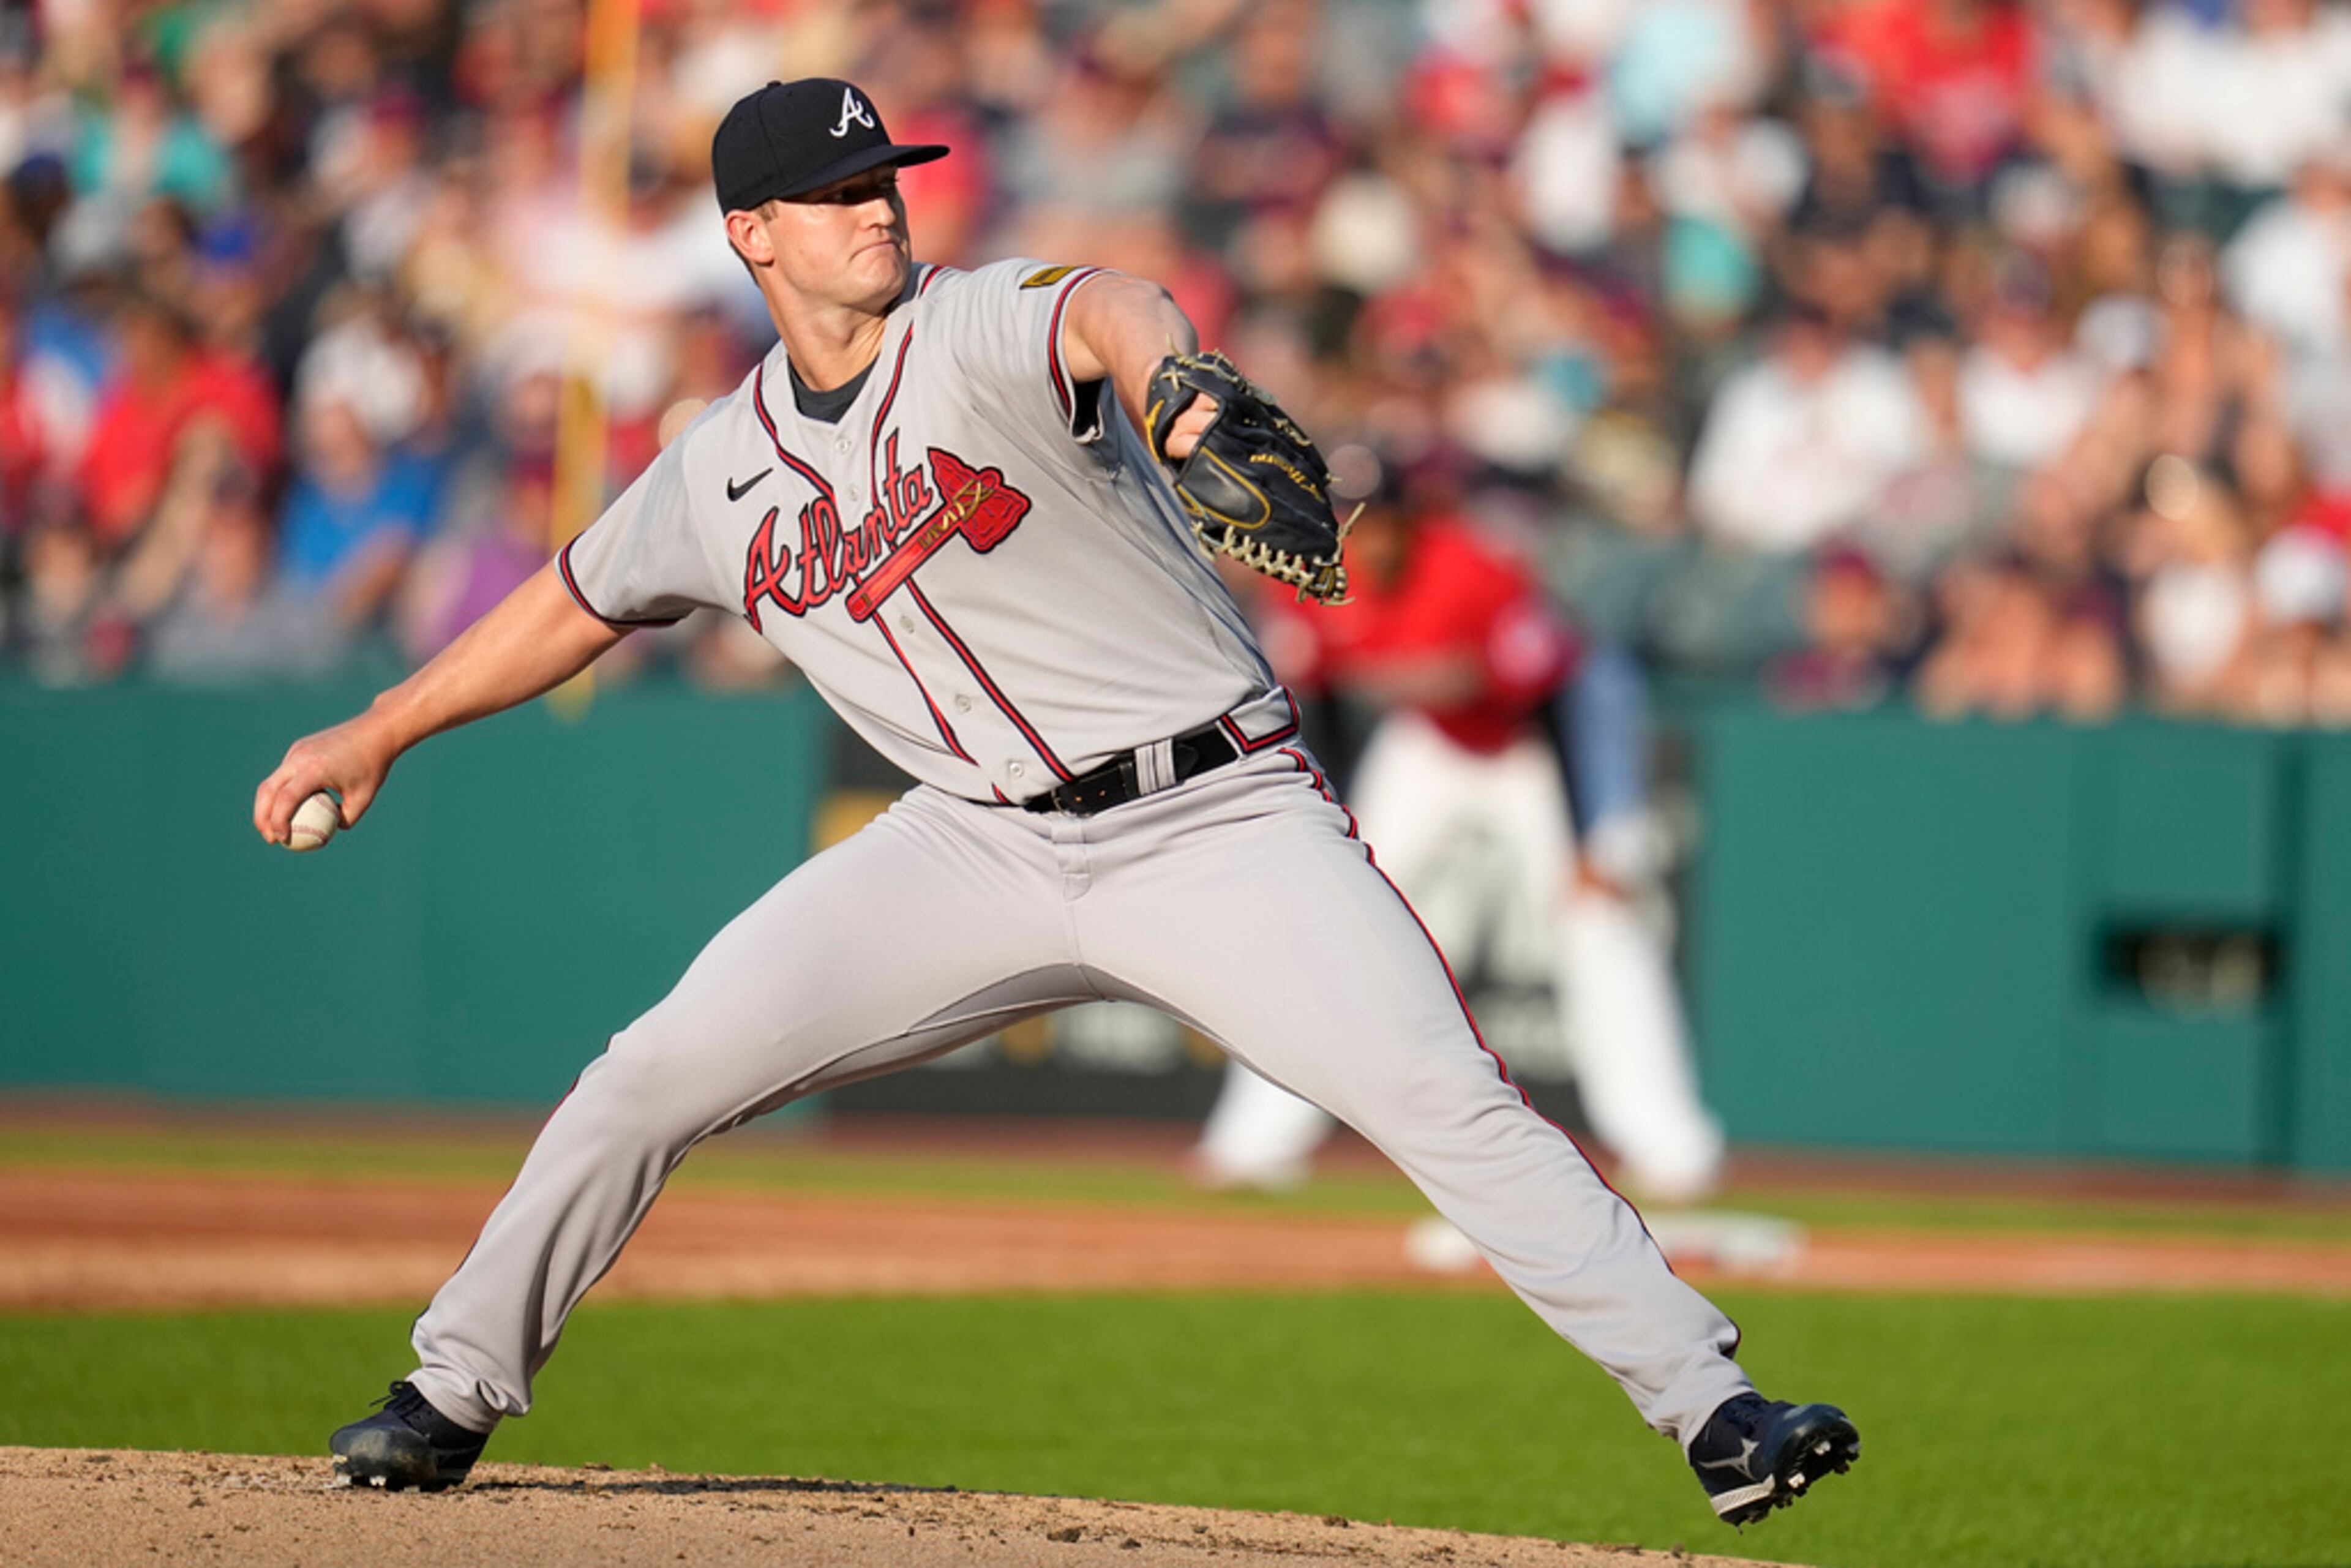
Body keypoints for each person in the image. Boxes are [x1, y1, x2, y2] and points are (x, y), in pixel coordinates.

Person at [252, 77, 1857, 1528]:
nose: (876, 203)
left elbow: (1111, 303)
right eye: (834, 189)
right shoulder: (719, 464)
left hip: (1216, 818)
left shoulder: (980, 319)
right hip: (970, 842)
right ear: (750, 234)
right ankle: (448, 1395)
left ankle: (1716, 1412)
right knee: (648, 1073)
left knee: (1452, 1105)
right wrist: (383, 727)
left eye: (884, 174)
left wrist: (1178, 389)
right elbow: (577, 597)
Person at [1190, 474, 1727, 1205]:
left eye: (1378, 517)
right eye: (1346, 514)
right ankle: (1251, 1144)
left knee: (1601, 925)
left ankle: (1672, 1149)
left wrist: (1585, 850)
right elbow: (1328, 706)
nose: (1362, 532)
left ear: (1414, 519)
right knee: (1335, 918)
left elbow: (1550, 695)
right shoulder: (1301, 574)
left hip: (1550, 736)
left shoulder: (1475, 569)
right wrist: (1337, 823)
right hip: (1433, 739)